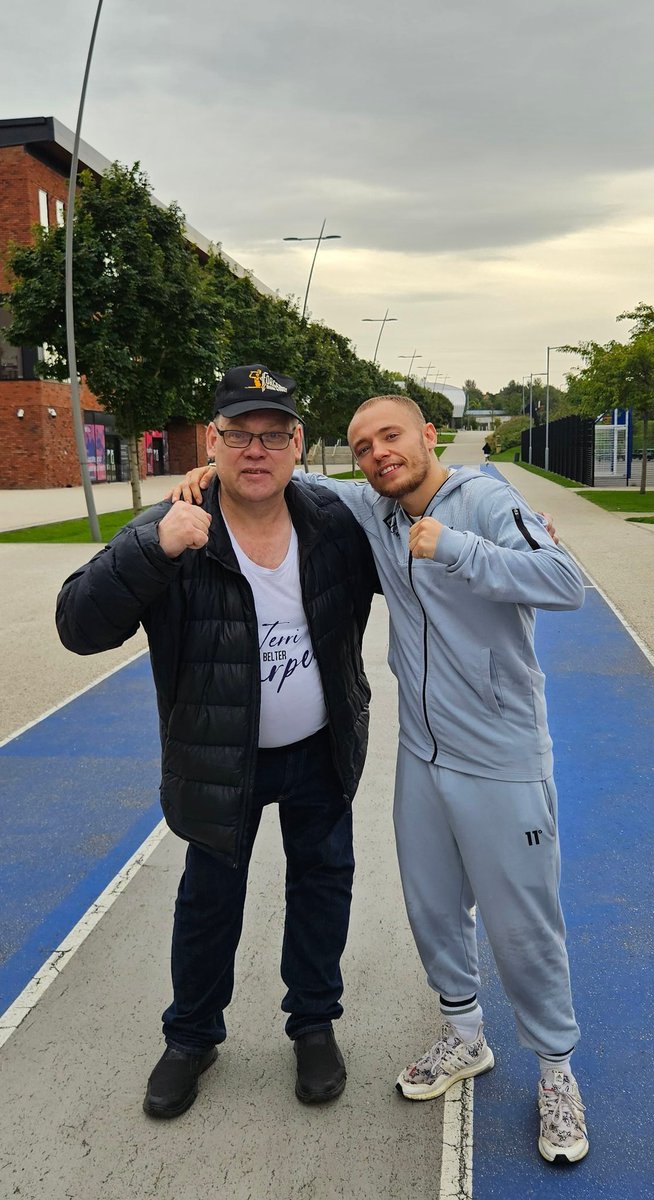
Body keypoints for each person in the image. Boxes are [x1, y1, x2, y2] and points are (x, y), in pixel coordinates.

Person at [174, 393, 589, 1165]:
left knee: (523, 924)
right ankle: (464, 1036)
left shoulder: (487, 500)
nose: (377, 454)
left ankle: (557, 1074)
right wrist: (211, 470)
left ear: (428, 436)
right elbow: (290, 483)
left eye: (390, 437)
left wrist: (458, 550)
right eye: (363, 446)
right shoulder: (376, 509)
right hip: (424, 756)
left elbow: (566, 581)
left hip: (501, 758)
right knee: (433, 909)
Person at [56, 364, 379, 1118]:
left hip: (320, 751)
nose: (255, 450)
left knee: (323, 885)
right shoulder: (175, 527)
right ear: (212, 441)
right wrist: (152, 552)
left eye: (272, 435)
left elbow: (411, 521)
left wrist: (508, 529)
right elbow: (78, 626)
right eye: (238, 435)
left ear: (297, 443)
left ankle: (313, 1025)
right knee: (209, 901)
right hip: (219, 759)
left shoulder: (332, 524)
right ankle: (191, 1037)